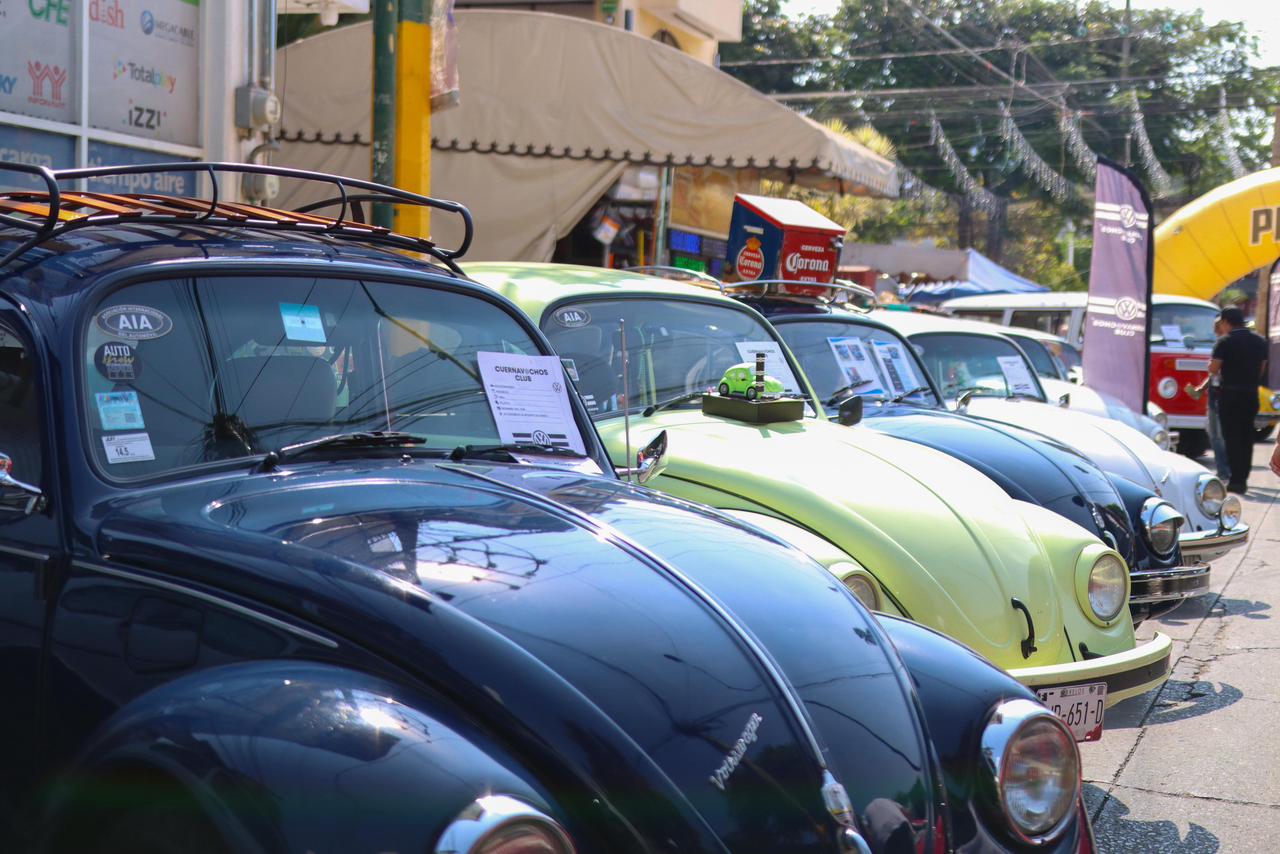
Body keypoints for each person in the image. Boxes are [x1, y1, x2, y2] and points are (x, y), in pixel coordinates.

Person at [1205, 307, 1267, 493]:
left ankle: (1235, 481)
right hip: (1250, 394)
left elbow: (1214, 369)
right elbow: (1262, 368)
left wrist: (1211, 365)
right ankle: (1243, 478)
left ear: (1225, 322)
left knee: (1231, 437)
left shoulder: (1225, 341)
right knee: (1247, 437)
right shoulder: (1259, 341)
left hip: (1230, 395)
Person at [1190, 316, 1231, 481]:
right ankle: (1225, 469)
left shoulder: (1223, 344)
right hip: (1220, 393)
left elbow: (1214, 370)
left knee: (1217, 435)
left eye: (1217, 327)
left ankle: (1223, 471)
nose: (1216, 331)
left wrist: (1204, 385)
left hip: (1219, 395)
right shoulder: (1225, 343)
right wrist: (1202, 387)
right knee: (1218, 434)